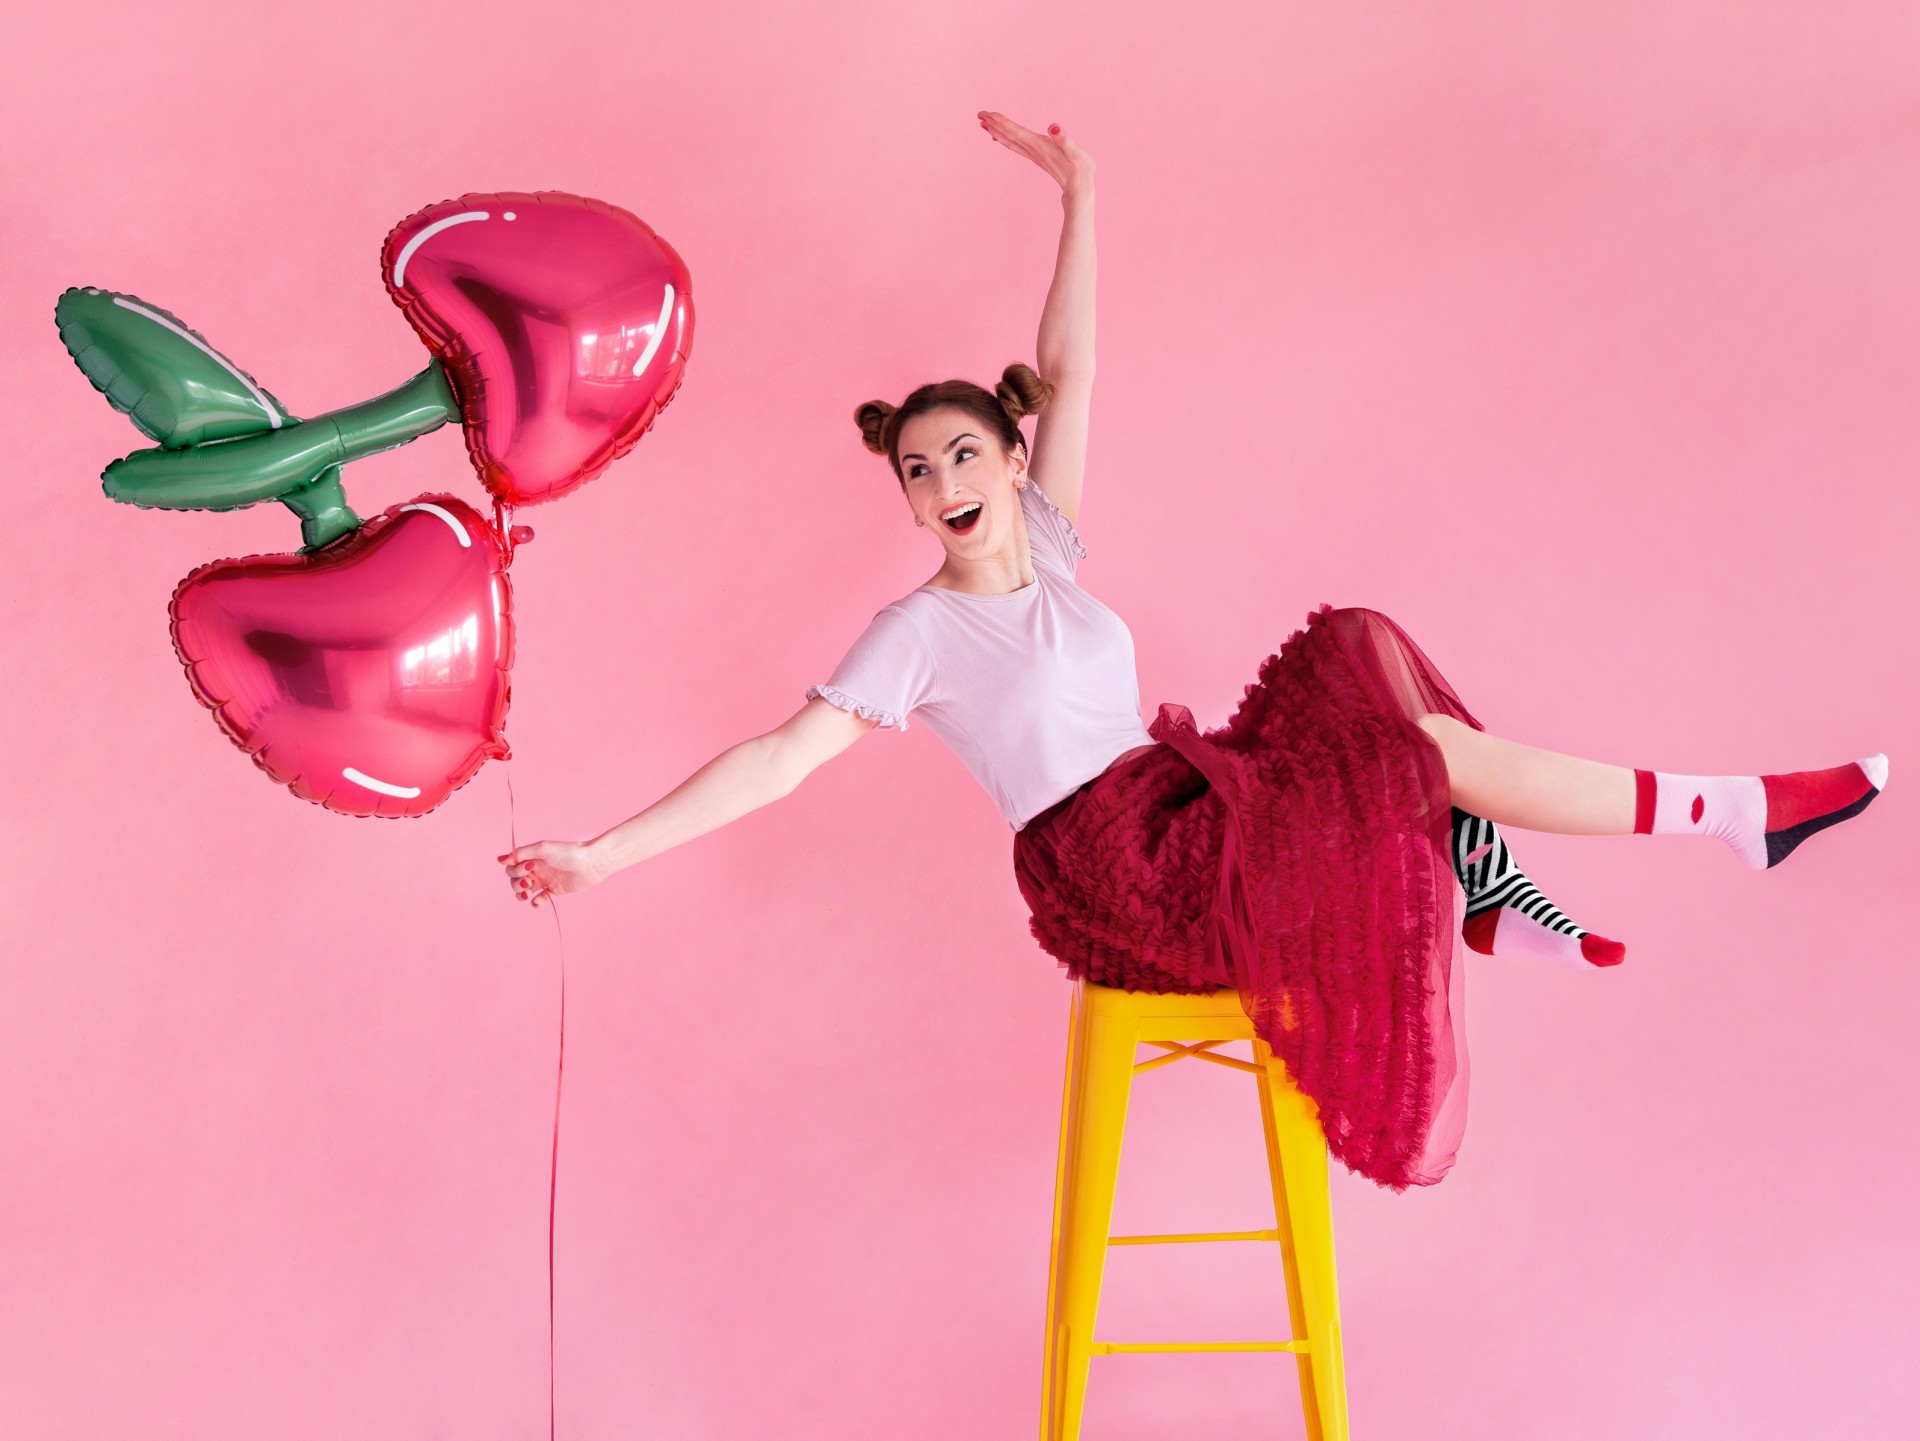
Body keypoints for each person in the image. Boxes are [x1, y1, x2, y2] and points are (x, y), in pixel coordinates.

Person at [499, 112, 1887, 1190]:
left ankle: (1535, 858)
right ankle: (1699, 821)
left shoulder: (1049, 541)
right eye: (920, 472)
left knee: (1359, 660)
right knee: (1415, 755)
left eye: (966, 451)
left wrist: (1080, 194)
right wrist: (600, 855)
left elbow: (1079, 370)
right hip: (1123, 865)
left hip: (1185, 790)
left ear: (1005, 454)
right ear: (910, 498)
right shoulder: (919, 633)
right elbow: (777, 761)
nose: (944, 483)